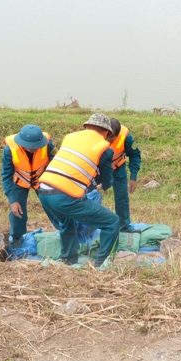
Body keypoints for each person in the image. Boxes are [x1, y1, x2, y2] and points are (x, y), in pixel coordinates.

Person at [37, 113, 120, 268]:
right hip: (63, 196)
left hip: (43, 191)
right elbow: (107, 179)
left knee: (67, 222)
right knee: (112, 222)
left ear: (86, 126)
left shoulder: (70, 138)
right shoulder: (104, 148)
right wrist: (104, 185)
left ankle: (68, 259)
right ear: (107, 133)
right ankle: (101, 264)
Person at [1, 124, 54, 249]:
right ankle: (16, 238)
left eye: (37, 146)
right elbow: (6, 176)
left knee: (54, 206)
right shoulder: (10, 150)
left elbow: (58, 163)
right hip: (20, 181)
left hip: (42, 180)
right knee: (17, 212)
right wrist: (13, 200)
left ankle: (66, 232)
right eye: (32, 147)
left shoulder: (48, 144)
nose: (35, 149)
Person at [106, 117, 142, 232]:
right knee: (89, 196)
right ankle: (86, 226)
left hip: (117, 168)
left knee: (122, 198)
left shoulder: (127, 138)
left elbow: (135, 155)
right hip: (97, 168)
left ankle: (124, 227)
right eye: (106, 136)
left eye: (111, 138)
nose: (108, 140)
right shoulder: (96, 135)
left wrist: (133, 178)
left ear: (117, 134)